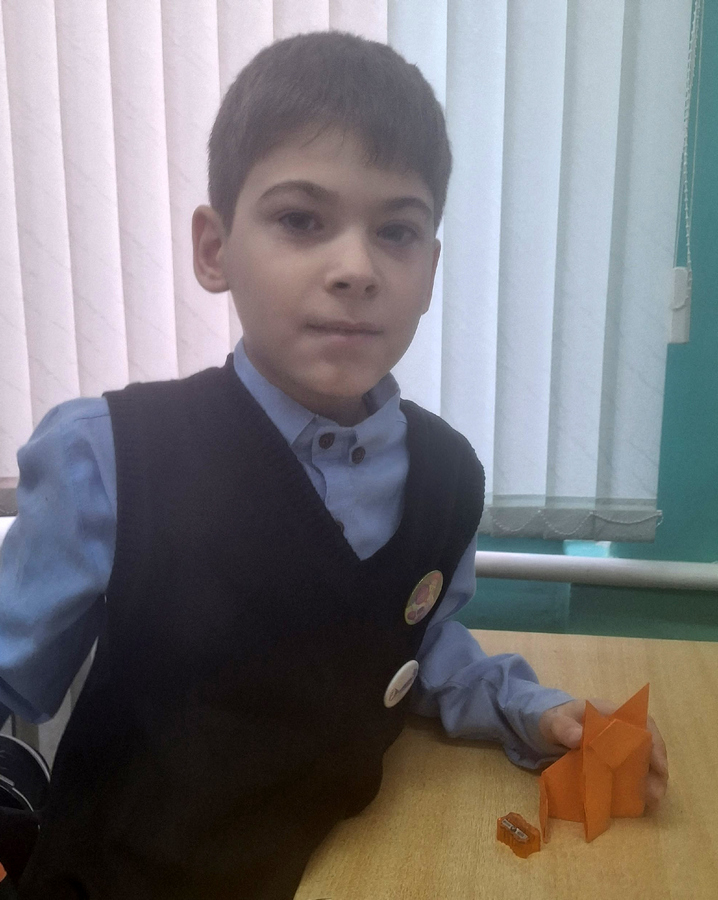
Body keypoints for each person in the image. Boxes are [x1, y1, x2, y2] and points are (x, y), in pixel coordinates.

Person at [0, 31, 667, 900]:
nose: (355, 268)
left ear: (430, 269)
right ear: (214, 249)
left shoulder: (446, 477)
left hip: (348, 867)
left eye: (397, 231)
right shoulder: (110, 456)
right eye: (300, 220)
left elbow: (413, 640)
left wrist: (531, 708)